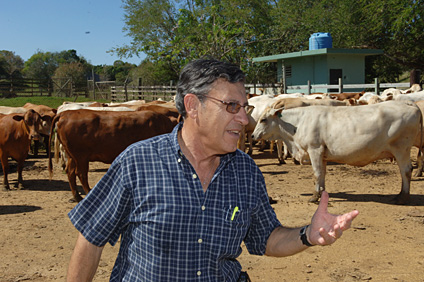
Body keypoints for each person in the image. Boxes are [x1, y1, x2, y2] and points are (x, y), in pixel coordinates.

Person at [66, 58, 359, 282]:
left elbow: (266, 238)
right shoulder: (138, 163)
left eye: (244, 107)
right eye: (232, 106)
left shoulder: (246, 171)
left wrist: (309, 234)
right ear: (193, 106)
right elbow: (91, 239)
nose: (245, 120)